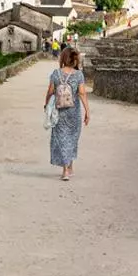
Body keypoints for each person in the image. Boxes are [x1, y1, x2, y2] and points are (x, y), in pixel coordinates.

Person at [44, 46, 90, 181]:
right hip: (74, 113)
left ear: (63, 58)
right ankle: (68, 168)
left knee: (62, 139)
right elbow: (82, 93)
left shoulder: (56, 73)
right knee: (72, 139)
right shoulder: (79, 75)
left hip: (59, 112)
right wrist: (87, 111)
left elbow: (50, 91)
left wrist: (46, 105)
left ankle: (66, 169)